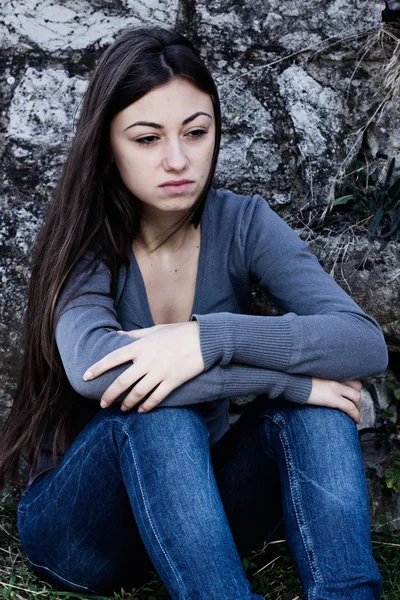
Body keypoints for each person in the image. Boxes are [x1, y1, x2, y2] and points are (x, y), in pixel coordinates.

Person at [0, 25, 389, 600]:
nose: (178, 159)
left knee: (322, 407)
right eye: (147, 138)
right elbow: (98, 370)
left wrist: (206, 340)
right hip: (84, 534)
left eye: (196, 132)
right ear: (107, 143)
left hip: (196, 516)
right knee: (157, 407)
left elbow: (362, 341)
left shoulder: (243, 223)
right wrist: (286, 379)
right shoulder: (86, 242)